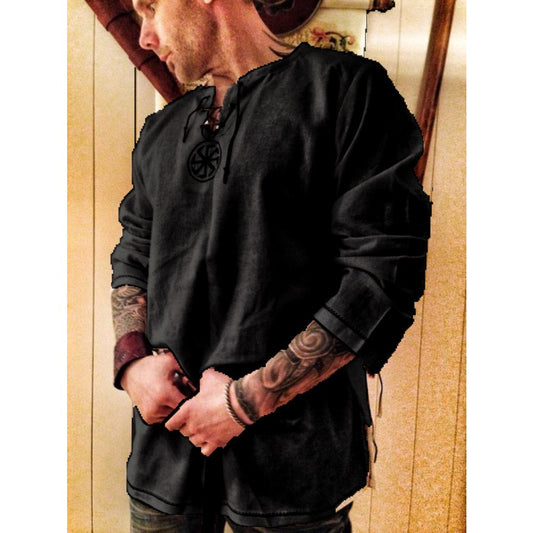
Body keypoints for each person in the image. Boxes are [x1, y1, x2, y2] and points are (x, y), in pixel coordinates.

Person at [110, 0, 431, 531]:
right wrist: (131, 362)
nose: (144, 37)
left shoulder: (344, 91)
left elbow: (381, 275)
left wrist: (242, 403)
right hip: (165, 461)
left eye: (150, 7)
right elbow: (133, 252)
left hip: (293, 470)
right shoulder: (161, 131)